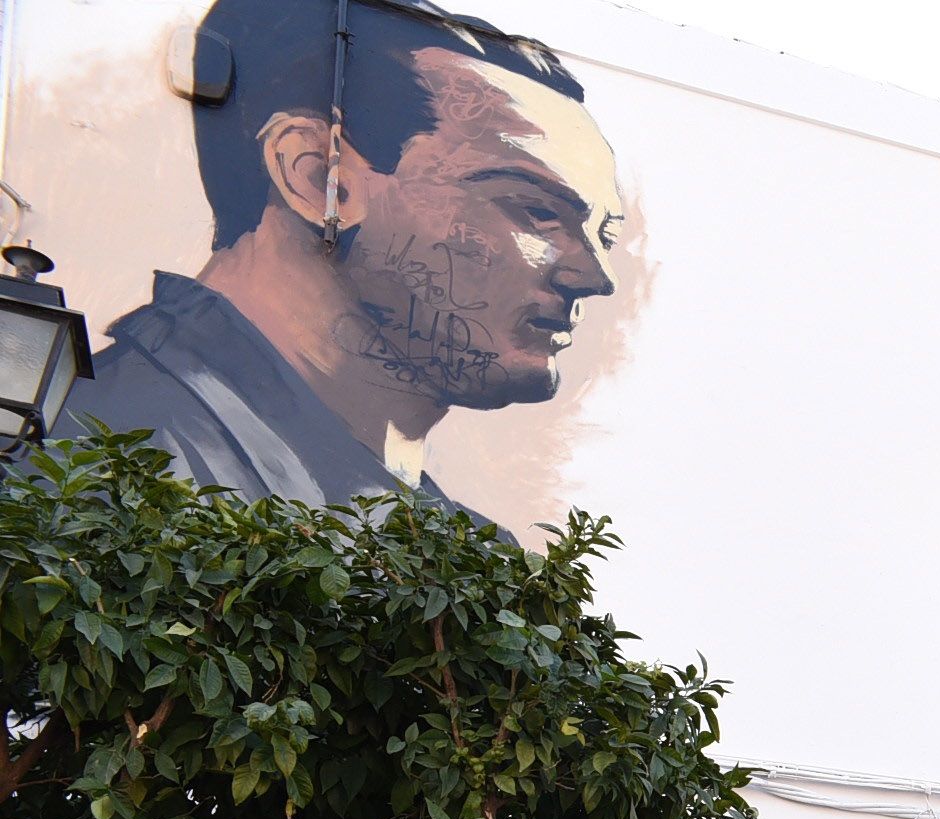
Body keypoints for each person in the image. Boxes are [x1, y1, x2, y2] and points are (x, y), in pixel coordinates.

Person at [57, 0, 620, 511]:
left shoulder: (455, 551)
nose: (595, 276)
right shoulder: (98, 462)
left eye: (606, 235)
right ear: (318, 179)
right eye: (536, 211)